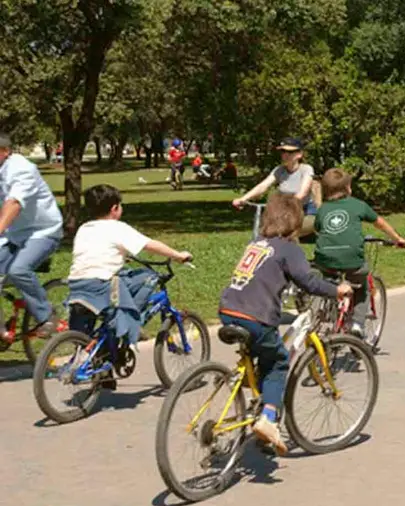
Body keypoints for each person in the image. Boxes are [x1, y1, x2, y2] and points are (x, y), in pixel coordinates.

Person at [219, 193, 351, 455]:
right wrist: (337, 290)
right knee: (278, 360)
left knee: (261, 352)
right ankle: (268, 418)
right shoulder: (289, 248)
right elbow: (308, 282)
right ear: (296, 223)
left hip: (228, 309)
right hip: (256, 316)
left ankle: (254, 389)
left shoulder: (258, 242)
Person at [66, 185, 192, 354]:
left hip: (76, 285)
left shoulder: (84, 228)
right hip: (101, 284)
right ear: (114, 208)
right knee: (149, 276)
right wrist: (178, 255)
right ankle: (131, 320)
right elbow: (150, 245)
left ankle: (104, 361)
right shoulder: (117, 227)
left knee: (124, 277)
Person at [313, 169, 405, 337]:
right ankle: (357, 324)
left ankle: (328, 312)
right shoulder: (358, 205)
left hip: (324, 259)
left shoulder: (322, 209)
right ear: (348, 188)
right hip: (352, 260)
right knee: (362, 286)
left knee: (330, 280)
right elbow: (380, 223)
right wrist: (397, 238)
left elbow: (318, 229)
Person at [0, 133, 65, 338]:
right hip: (14, 233)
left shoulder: (21, 169)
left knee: (19, 269)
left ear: (5, 151)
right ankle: (2, 331)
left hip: (42, 231)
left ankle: (47, 316)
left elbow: (14, 204)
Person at [233, 138, 320, 236]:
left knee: (286, 232)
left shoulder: (306, 169)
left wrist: (284, 208)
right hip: (284, 213)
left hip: (305, 211)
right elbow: (262, 186)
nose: (285, 155)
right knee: (270, 231)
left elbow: (302, 193)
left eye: (289, 152)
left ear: (299, 154)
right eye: (283, 151)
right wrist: (243, 199)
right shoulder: (279, 170)